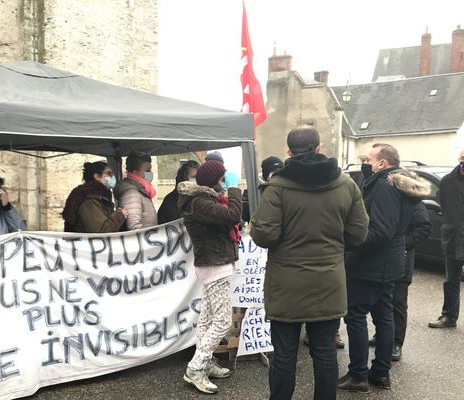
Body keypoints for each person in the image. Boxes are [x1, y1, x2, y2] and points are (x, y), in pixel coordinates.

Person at [250, 125, 369, 400]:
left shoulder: (277, 188)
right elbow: (359, 234)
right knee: (325, 352)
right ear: (319, 148)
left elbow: (264, 234)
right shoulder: (346, 184)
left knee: (284, 355)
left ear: (289, 152)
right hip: (328, 282)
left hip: (286, 285)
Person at [340, 144, 430, 393]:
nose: (365, 163)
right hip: (389, 264)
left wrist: (350, 243)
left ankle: (358, 375)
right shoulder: (399, 185)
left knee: (356, 315)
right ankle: (380, 373)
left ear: (382, 163)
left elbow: (380, 231)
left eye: (369, 159)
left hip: (372, 264)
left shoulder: (385, 186)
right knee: (384, 316)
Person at [178, 160, 242, 394]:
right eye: (224, 178)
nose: (226, 182)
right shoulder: (200, 203)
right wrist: (235, 189)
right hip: (215, 265)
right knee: (223, 321)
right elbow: (233, 215)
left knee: (207, 318)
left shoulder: (201, 201)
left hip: (214, 263)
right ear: (216, 181)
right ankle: (195, 368)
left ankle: (204, 362)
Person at [369, 201, 431, 361]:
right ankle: (382, 335)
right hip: (380, 260)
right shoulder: (380, 189)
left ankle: (397, 342)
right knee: (380, 301)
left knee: (398, 302)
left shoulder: (410, 196)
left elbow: (423, 227)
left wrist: (403, 245)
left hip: (401, 260)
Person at [428, 147, 464, 329]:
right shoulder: (447, 181)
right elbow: (444, 205)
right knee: (451, 280)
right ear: (458, 159)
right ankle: (448, 316)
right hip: (453, 236)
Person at [62, 161, 128, 233]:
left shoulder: (101, 197)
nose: (112, 177)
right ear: (97, 176)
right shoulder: (89, 200)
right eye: (109, 173)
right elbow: (100, 232)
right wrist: (119, 216)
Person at [113, 150, 158, 230]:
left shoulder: (141, 190)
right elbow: (134, 227)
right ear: (135, 172)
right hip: (143, 240)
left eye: (150, 170)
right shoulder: (131, 193)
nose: (150, 173)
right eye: (147, 170)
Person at [242, 156, 283, 223]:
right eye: (273, 173)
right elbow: (244, 215)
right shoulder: (254, 188)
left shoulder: (287, 187)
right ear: (265, 175)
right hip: (262, 228)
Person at [157, 160, 199, 224]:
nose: (197, 180)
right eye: (194, 177)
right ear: (183, 178)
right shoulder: (170, 200)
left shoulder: (201, 198)